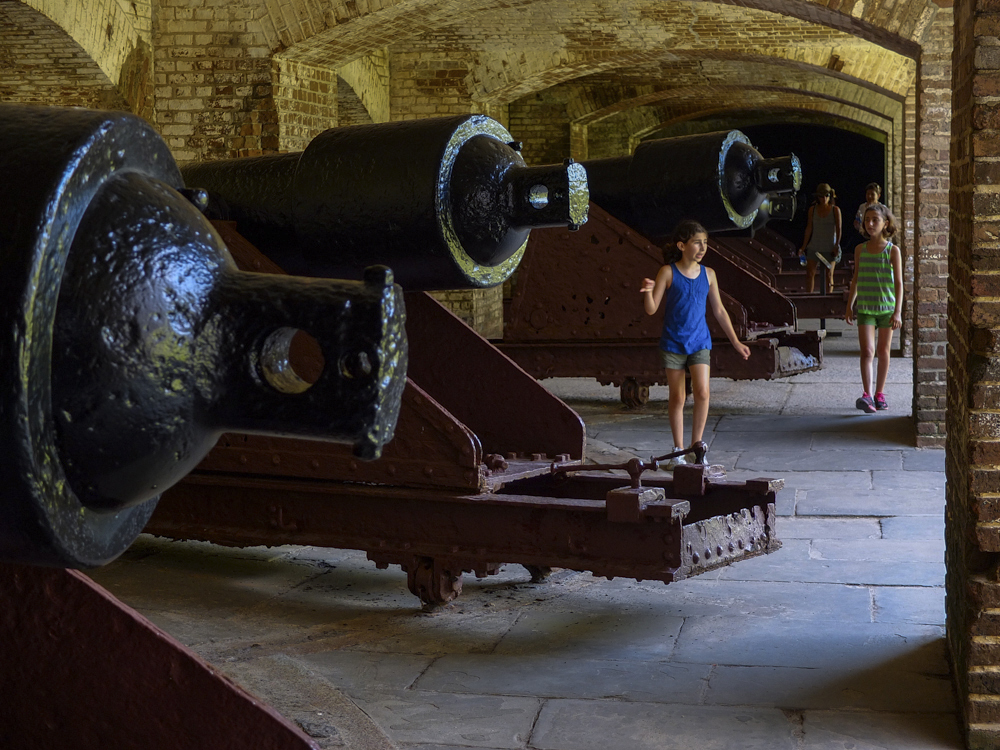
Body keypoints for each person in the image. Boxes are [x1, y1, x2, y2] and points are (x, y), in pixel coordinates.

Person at [640, 220, 751, 467]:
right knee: (678, 397)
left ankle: (696, 448)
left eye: (705, 243)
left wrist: (736, 342)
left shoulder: (709, 274)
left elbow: (720, 311)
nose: (703, 247)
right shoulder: (667, 272)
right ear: (681, 245)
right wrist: (648, 291)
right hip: (673, 343)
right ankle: (677, 451)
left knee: (702, 392)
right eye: (697, 243)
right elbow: (651, 309)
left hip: (700, 342)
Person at [845, 203, 903, 414]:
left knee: (882, 351)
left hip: (887, 309)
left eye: (875, 220)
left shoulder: (892, 250)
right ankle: (867, 394)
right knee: (867, 351)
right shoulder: (860, 249)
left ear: (885, 223)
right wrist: (850, 306)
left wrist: (898, 311)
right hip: (866, 309)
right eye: (866, 220)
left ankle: (880, 393)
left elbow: (899, 283)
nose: (870, 224)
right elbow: (856, 280)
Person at [798, 183, 842, 294]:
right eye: (821, 196)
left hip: (830, 246)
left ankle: (829, 299)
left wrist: (836, 245)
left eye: (827, 196)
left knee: (829, 275)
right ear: (817, 197)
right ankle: (809, 297)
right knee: (810, 273)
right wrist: (803, 247)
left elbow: (839, 229)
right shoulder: (812, 210)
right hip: (815, 245)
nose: (824, 199)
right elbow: (809, 228)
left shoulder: (835, 210)